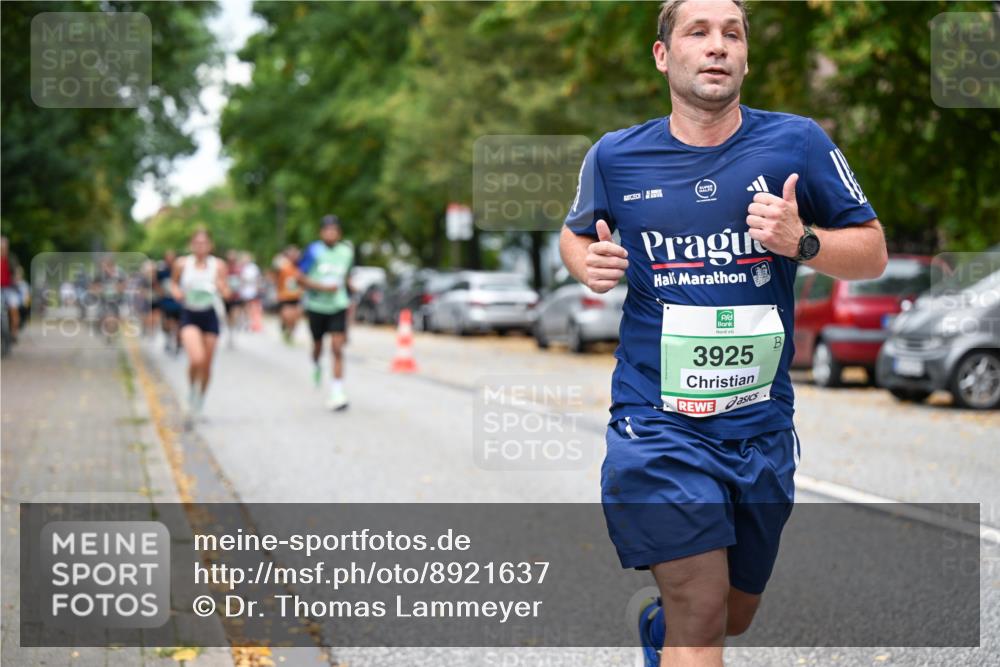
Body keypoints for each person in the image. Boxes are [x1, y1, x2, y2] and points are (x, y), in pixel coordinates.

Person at [560, 2, 888, 665]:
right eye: (698, 33)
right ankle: (679, 631)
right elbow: (574, 234)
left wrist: (804, 240)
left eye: (731, 35)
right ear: (663, 56)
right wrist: (586, 263)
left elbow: (874, 252)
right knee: (702, 611)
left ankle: (660, 635)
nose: (717, 47)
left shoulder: (797, 144)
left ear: (745, 57)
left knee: (732, 614)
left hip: (760, 427)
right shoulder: (616, 157)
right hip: (658, 424)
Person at [171, 229, 230, 420]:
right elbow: (173, 284)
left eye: (204, 243)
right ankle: (191, 392)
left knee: (206, 365)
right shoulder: (182, 263)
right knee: (196, 359)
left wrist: (222, 288)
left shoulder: (218, 265)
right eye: (197, 243)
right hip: (189, 314)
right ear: (191, 245)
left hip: (210, 315)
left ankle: (200, 401)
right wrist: (177, 293)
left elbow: (226, 291)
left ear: (210, 246)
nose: (200, 246)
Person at [299, 215, 354, 410]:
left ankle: (338, 392)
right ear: (321, 232)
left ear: (339, 233)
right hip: (316, 306)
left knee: (338, 347)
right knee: (318, 346)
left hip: (338, 305)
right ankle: (316, 364)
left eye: (334, 230)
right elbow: (300, 278)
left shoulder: (346, 251)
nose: (331, 233)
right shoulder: (314, 251)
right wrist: (321, 287)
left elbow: (346, 277)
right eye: (327, 230)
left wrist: (351, 288)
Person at [275, 245, 303, 344]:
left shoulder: (300, 267)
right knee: (287, 316)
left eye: (296, 254)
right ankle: (284, 326)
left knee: (296, 316)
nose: (294, 256)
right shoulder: (283, 266)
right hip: (284, 296)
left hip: (296, 296)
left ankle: (290, 334)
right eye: (292, 254)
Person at [156, 250, 182, 355]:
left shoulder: (180, 270)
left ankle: (178, 342)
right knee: (167, 322)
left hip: (178, 301)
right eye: (168, 258)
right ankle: (168, 338)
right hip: (166, 300)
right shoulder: (161, 271)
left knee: (180, 323)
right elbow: (156, 283)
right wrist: (160, 292)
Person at [1, 236, 21, 344]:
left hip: (10, 288)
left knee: (14, 308)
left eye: (4, 247)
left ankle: (14, 332)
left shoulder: (11, 258)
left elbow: (17, 272)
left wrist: (17, 277)